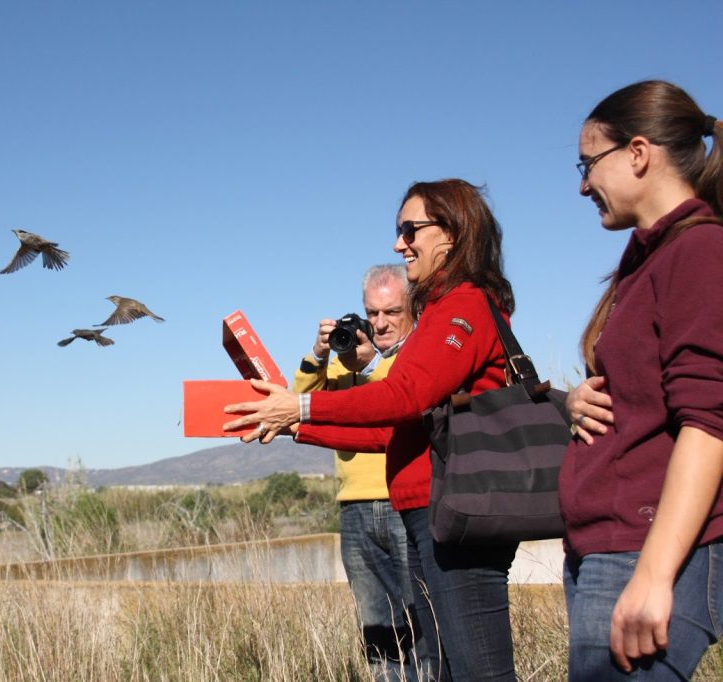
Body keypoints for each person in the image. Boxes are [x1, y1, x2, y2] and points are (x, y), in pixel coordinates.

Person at [224, 179, 519, 681]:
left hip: (454, 509)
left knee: (477, 671)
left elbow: (405, 396)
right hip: (429, 512)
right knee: (448, 667)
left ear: (451, 233)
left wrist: (301, 407)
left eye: (410, 229)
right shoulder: (440, 311)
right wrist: (296, 425)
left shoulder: (463, 305)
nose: (399, 243)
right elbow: (392, 433)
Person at [562, 80, 723, 680]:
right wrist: (580, 399)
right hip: (607, 546)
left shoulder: (700, 251)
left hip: (648, 550)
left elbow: (709, 426)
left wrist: (655, 574)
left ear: (637, 153)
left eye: (588, 163)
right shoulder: (647, 258)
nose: (582, 185)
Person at [291, 264, 420, 680]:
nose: (380, 324)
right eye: (373, 313)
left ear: (412, 308)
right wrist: (320, 354)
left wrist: (369, 361)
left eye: (391, 313)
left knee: (422, 623)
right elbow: (297, 407)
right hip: (354, 507)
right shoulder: (343, 368)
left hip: (404, 503)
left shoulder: (413, 356)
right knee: (376, 628)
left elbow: (394, 397)